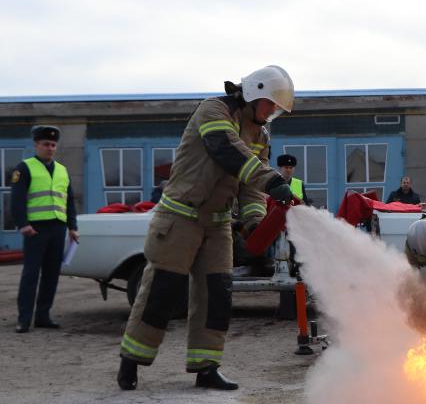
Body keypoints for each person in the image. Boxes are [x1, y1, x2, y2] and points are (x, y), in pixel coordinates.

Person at [116, 65, 296, 392]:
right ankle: (131, 361)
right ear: (255, 92)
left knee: (216, 297)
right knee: (162, 292)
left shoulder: (261, 134)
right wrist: (272, 180)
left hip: (218, 225)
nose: (272, 113)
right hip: (179, 217)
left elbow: (250, 190)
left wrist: (255, 223)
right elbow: (226, 150)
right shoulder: (213, 109)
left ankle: (206, 366)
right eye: (271, 104)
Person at [10, 125, 80, 334]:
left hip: (57, 228)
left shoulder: (62, 170)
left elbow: (69, 202)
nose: (49, 148)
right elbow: (17, 200)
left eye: (52, 144)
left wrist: (72, 227)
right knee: (30, 275)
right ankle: (24, 319)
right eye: (45, 144)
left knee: (51, 275)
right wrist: (23, 224)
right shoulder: (24, 168)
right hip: (36, 229)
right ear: (36, 145)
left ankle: (43, 316)